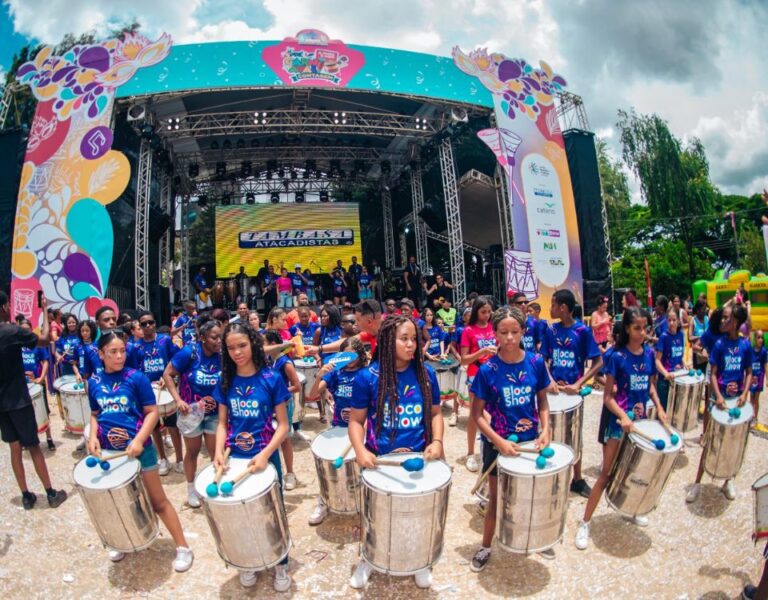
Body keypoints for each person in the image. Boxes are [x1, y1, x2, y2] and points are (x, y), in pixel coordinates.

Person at [347, 314, 444, 589]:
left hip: (417, 461)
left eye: (414, 338)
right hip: (380, 462)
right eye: (404, 339)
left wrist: (437, 441)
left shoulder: (427, 374)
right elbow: (355, 421)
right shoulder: (367, 378)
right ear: (388, 341)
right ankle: (367, 556)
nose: (411, 345)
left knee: (417, 515)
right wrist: (360, 450)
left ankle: (419, 560)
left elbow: (436, 414)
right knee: (373, 516)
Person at [87, 331, 193, 571]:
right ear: (101, 354)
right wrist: (93, 437)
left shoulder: (137, 378)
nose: (119, 356)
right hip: (110, 453)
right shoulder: (94, 382)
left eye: (122, 351)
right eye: (113, 352)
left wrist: (139, 440)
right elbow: (95, 414)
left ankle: (183, 547)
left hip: (140, 451)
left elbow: (152, 412)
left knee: (158, 501)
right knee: (120, 502)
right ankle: (123, 542)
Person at [575, 306, 668, 550]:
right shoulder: (617, 357)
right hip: (618, 424)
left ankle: (631, 510)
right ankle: (585, 522)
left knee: (634, 471)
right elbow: (607, 397)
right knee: (606, 474)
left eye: (645, 328)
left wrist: (660, 408)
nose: (642, 332)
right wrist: (623, 417)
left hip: (639, 423)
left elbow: (649, 387)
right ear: (627, 328)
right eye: (637, 328)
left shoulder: (648, 354)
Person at [469, 306, 553, 571]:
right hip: (499, 444)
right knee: (496, 499)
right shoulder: (488, 370)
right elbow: (477, 414)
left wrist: (546, 429)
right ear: (494, 333)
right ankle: (485, 546)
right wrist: (498, 441)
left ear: (523, 332)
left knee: (530, 495)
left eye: (514, 332)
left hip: (529, 442)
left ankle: (534, 537)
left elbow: (542, 401)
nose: (508, 338)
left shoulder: (536, 363)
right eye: (503, 332)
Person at [213, 323, 292, 591]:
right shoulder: (225, 380)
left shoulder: (271, 378)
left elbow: (283, 425)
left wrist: (265, 455)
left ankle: (281, 561)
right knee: (243, 513)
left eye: (242, 345)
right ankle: (251, 560)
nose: (237, 352)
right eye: (231, 347)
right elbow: (222, 423)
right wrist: (217, 452)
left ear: (254, 345)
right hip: (235, 457)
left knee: (273, 511)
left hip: (266, 458)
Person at [0, 293, 67, 509]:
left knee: (14, 449)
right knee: (34, 447)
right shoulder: (11, 331)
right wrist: (45, 311)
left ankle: (26, 495)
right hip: (19, 400)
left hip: (2, 405)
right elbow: (46, 339)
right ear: (3, 306)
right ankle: (50, 493)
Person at [687, 302, 752, 503]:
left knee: (732, 443)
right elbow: (713, 374)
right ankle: (697, 483)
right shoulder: (719, 345)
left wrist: (744, 393)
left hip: (736, 401)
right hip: (719, 400)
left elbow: (749, 372)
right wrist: (719, 396)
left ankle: (728, 480)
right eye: (722, 317)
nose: (722, 321)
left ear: (736, 323)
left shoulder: (745, 345)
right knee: (709, 440)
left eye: (727, 318)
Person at [540, 289, 602, 498]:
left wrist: (579, 383)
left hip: (573, 396)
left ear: (563, 308)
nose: (551, 309)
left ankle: (577, 478)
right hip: (554, 395)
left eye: (554, 305)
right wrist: (549, 379)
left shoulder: (582, 331)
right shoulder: (551, 330)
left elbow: (598, 361)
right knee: (551, 433)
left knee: (574, 434)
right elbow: (543, 360)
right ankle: (554, 476)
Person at [306, 337, 368, 525]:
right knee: (330, 469)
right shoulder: (336, 373)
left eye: (353, 356)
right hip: (339, 427)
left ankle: (365, 502)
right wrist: (320, 375)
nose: (349, 360)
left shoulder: (366, 374)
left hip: (362, 429)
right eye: (345, 356)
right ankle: (324, 501)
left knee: (361, 468)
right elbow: (312, 395)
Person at [162, 318, 222, 508]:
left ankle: (214, 486)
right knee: (193, 452)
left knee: (216, 453)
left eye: (221, 337)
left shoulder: (222, 356)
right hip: (191, 413)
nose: (219, 341)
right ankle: (191, 490)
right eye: (214, 338)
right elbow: (167, 374)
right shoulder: (189, 352)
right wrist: (178, 400)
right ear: (202, 337)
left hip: (214, 414)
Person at [134, 311, 182, 476]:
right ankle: (162, 459)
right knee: (154, 427)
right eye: (144, 324)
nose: (148, 326)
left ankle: (180, 460)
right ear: (139, 326)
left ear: (154, 323)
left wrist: (169, 376)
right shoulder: (136, 346)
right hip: (148, 392)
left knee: (173, 426)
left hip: (166, 389)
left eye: (150, 322)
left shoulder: (165, 340)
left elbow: (176, 359)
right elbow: (135, 370)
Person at [460, 296, 497, 472]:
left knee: (494, 411)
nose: (487, 315)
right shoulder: (468, 330)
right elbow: (464, 359)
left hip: (494, 373)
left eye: (489, 312)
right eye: (483, 312)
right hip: (475, 374)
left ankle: (492, 447)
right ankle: (470, 453)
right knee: (476, 414)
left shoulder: (494, 327)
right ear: (476, 311)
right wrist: (482, 351)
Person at [263, 329, 304, 491]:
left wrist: (278, 394)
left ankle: (290, 473)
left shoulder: (285, 363)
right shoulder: (269, 361)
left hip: (283, 405)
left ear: (273, 345)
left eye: (263, 343)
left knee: (285, 440)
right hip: (271, 406)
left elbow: (297, 386)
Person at [19, 319, 55, 451]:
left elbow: (45, 361)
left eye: (27, 328)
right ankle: (28, 440)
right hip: (22, 385)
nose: (24, 331)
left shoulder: (37, 344)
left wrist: (41, 378)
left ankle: (49, 438)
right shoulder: (16, 345)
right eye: (22, 328)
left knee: (43, 411)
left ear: (31, 329)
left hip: (37, 384)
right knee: (25, 414)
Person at [655, 308, 686, 412]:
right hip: (664, 381)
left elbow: (678, 356)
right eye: (669, 320)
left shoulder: (681, 335)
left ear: (678, 321)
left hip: (677, 379)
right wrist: (665, 373)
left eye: (674, 320)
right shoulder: (663, 337)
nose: (671, 323)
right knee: (664, 412)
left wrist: (684, 364)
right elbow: (657, 361)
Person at [54, 313, 81, 377]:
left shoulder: (81, 335)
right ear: (66, 324)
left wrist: (77, 362)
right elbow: (56, 350)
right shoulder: (63, 337)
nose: (71, 324)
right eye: (69, 323)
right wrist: (58, 356)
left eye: (73, 322)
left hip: (80, 367)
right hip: (66, 368)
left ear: (76, 323)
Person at [689, 299, 710, 376]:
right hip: (697, 354)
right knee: (699, 376)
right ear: (697, 310)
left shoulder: (707, 319)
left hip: (707, 352)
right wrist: (701, 337)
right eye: (702, 309)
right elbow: (690, 338)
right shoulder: (693, 320)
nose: (704, 311)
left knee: (707, 377)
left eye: (705, 309)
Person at [751, 330, 767, 426]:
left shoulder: (764, 351)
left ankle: (755, 418)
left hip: (759, 377)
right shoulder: (751, 350)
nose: (760, 340)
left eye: (762, 338)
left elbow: (765, 365)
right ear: (755, 339)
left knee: (756, 399)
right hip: (752, 377)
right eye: (759, 337)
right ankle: (750, 415)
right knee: (751, 398)